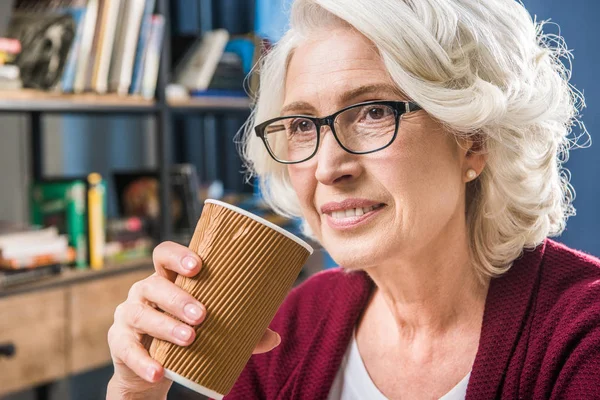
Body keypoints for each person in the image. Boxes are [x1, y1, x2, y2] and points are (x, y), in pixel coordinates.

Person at [107, 0, 600, 399]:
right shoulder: (294, 324)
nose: (327, 167)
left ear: (475, 139)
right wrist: (136, 392)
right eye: (302, 125)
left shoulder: (582, 337)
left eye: (371, 113)